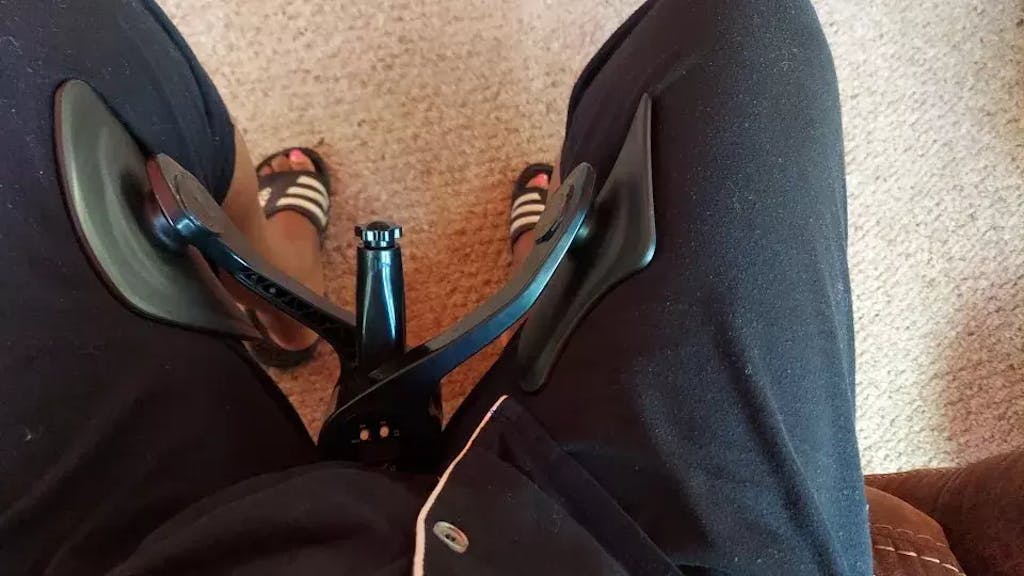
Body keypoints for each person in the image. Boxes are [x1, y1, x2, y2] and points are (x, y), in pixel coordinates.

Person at [0, 0, 876, 573]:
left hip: (155, 553)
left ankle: (283, 294)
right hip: (628, 551)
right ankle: (544, 275)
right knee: (745, 36)